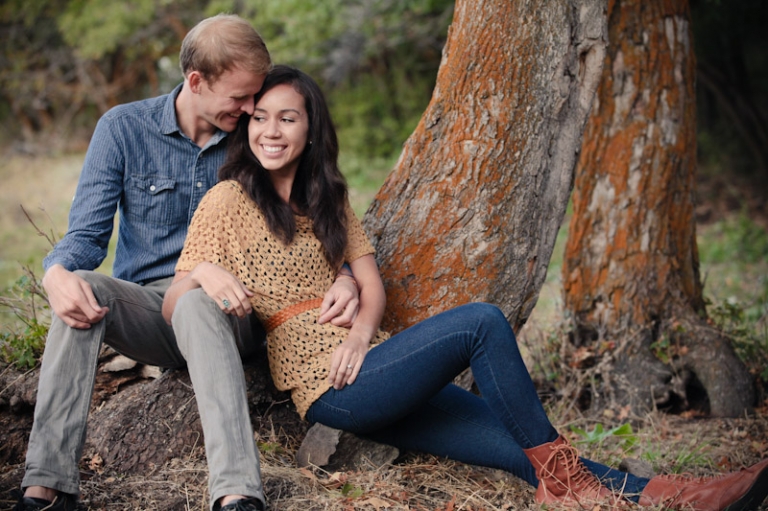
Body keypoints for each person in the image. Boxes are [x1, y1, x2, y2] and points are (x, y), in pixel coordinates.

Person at [163, 65, 768, 510]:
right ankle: (584, 490)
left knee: (525, 450)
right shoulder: (228, 199)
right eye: (260, 118)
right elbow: (175, 296)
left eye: (287, 118)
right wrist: (203, 275)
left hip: (379, 365)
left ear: (311, 129)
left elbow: (371, 284)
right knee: (481, 321)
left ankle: (686, 496)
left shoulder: (330, 202)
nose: (270, 131)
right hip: (333, 387)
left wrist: (362, 333)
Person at [14, 17, 361, 511]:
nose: (252, 110)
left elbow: (313, 212)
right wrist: (56, 274)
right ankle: (45, 488)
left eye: (255, 96)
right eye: (241, 98)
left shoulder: (252, 135)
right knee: (82, 288)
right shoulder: (123, 129)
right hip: (153, 309)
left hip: (237, 310)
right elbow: (86, 238)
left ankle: (237, 493)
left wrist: (345, 274)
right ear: (196, 81)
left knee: (198, 302)